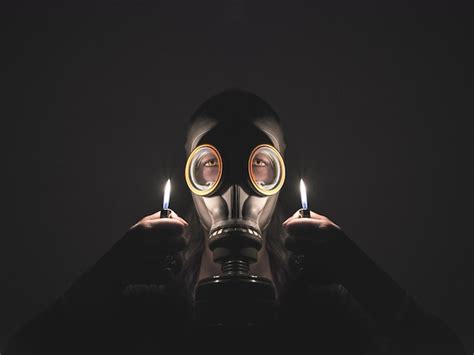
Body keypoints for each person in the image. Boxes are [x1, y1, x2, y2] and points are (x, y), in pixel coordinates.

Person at [6, 90, 466, 354]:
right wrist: (107, 275)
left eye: (257, 163)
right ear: (188, 175)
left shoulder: (331, 309)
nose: (234, 192)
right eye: (210, 163)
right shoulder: (143, 303)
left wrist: (359, 273)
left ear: (281, 173)